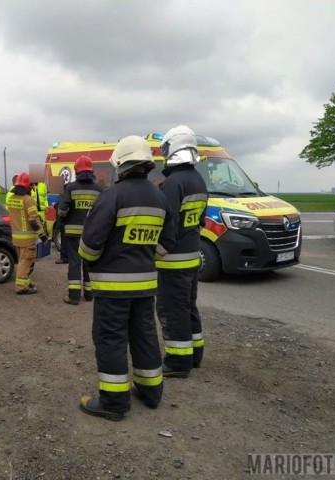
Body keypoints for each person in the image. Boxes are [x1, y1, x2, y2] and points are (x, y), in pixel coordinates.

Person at [78, 135, 175, 421]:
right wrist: (146, 258)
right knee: (144, 336)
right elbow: (169, 240)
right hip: (145, 286)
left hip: (112, 288)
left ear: (120, 165)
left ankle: (114, 402)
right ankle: (150, 391)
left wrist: (94, 262)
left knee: (110, 339)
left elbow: (90, 244)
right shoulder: (160, 197)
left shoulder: (112, 196)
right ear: (146, 164)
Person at [156, 125, 209, 378]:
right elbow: (199, 221)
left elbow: (166, 224)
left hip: (172, 261)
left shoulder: (172, 183)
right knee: (188, 307)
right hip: (191, 256)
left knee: (170, 310)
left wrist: (154, 252)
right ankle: (195, 354)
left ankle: (178, 361)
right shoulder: (198, 179)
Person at [57, 155, 102, 305]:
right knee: (89, 262)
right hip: (91, 233)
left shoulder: (71, 187)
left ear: (76, 170)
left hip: (73, 233)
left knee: (75, 262)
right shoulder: (98, 189)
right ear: (91, 170)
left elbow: (62, 210)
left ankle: (74, 296)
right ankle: (90, 294)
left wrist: (63, 219)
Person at [6, 172, 48, 294]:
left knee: (23, 260)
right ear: (28, 186)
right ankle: (21, 287)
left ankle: (26, 282)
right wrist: (43, 236)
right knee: (26, 262)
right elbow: (34, 221)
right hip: (28, 239)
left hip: (16, 238)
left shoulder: (11, 199)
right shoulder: (28, 200)